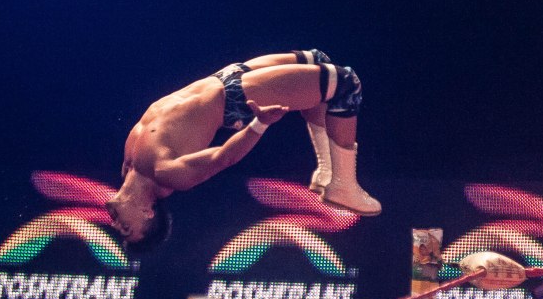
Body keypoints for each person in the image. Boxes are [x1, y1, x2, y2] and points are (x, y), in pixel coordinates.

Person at [107, 50, 380, 249]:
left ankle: (326, 172)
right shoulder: (166, 175)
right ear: (148, 212)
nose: (115, 224)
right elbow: (222, 157)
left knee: (318, 60)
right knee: (345, 84)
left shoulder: (129, 167)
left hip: (224, 77)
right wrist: (260, 124)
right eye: (126, 228)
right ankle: (343, 185)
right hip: (236, 97)